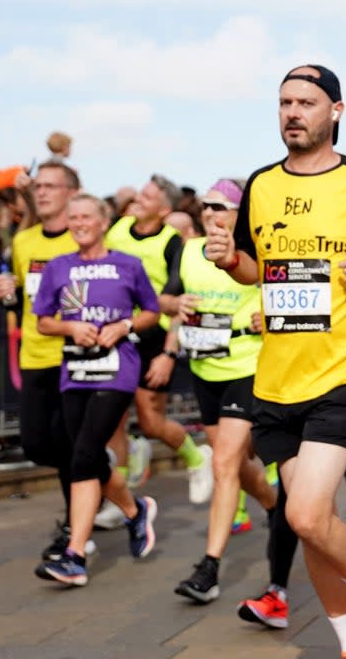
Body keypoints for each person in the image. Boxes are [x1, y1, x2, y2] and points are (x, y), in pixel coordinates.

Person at [204, 63, 346, 659]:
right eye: (284, 102)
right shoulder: (261, 184)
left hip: (345, 371)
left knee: (303, 513)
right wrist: (230, 260)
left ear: (336, 111)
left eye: (306, 102)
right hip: (277, 381)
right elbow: (256, 269)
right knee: (313, 522)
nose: (293, 113)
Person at [155, 179, 279, 604]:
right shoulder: (188, 249)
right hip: (204, 367)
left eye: (221, 206)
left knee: (224, 461)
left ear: (240, 213)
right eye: (207, 206)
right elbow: (165, 299)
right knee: (235, 465)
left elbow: (287, 295)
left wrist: (271, 312)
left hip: (248, 364)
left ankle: (209, 567)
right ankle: (273, 504)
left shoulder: (257, 251)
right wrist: (177, 305)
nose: (211, 213)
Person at [31, 194, 161, 586]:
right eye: (73, 217)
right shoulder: (58, 268)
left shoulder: (128, 265)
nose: (78, 223)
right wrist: (71, 328)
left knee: (86, 452)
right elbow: (42, 322)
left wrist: (124, 327)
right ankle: (135, 511)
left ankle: (75, 555)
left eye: (86, 216)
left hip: (117, 371)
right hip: (75, 371)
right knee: (85, 456)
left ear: (104, 221)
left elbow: (152, 312)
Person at [0, 162, 84, 561]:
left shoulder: (84, 239)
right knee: (36, 443)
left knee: (66, 441)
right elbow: (19, 298)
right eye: (38, 186)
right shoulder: (24, 241)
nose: (41, 192)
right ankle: (97, 471)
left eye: (51, 186)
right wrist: (4, 290)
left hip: (74, 356)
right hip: (33, 355)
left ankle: (73, 526)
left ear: (70, 192)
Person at [103, 174, 213, 510]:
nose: (138, 199)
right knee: (114, 421)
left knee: (151, 423)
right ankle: (118, 501)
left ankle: (197, 455)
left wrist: (168, 352)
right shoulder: (117, 229)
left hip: (154, 337)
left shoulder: (171, 243)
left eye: (147, 197)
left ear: (164, 209)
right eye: (139, 193)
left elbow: (177, 300)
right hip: (117, 332)